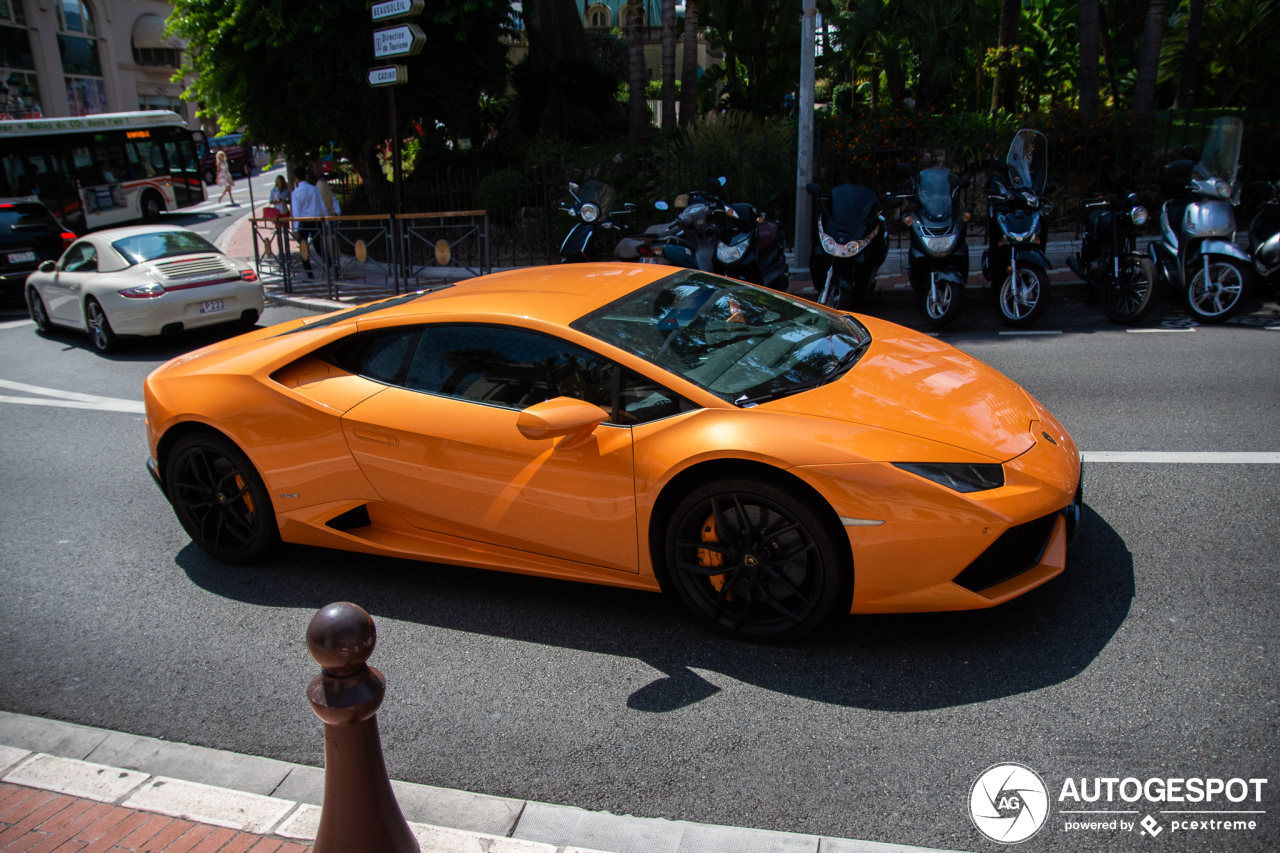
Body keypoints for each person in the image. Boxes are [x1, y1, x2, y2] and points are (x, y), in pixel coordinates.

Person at [289, 166, 325, 278]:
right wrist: (327, 221)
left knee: (304, 247)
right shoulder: (314, 189)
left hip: (303, 222)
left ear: (296, 178)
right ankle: (331, 265)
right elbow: (322, 206)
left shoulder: (296, 193)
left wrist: (295, 229)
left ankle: (309, 273)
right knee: (319, 246)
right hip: (316, 220)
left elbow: (296, 212)